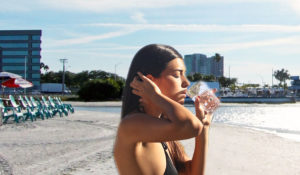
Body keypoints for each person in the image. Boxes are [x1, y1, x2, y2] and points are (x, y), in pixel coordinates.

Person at [114, 44, 214, 175]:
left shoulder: (163, 129)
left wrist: (204, 126)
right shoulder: (131, 125)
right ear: (149, 81)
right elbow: (192, 127)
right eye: (177, 75)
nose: (186, 83)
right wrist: (155, 95)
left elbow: (191, 172)